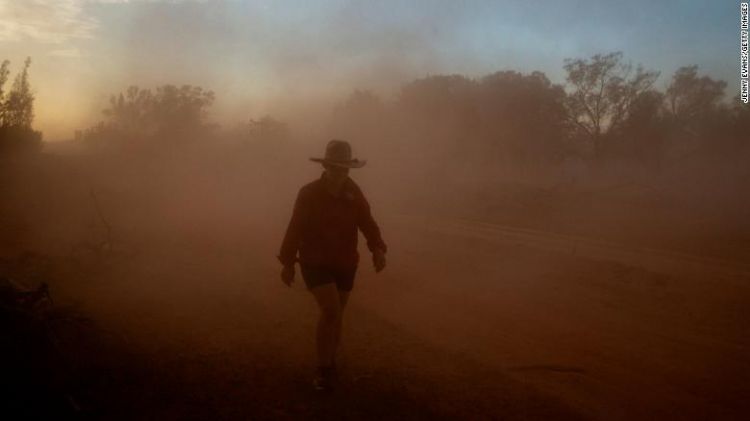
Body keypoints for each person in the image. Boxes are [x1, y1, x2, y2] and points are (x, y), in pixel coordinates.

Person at [278, 139, 387, 391]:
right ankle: (324, 369)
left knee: (337, 314)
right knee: (331, 311)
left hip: (345, 261)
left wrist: (378, 248)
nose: (340, 173)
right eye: (336, 167)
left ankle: (330, 362)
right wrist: (288, 262)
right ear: (326, 166)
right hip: (315, 261)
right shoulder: (309, 193)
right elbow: (296, 227)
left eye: (345, 168)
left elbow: (367, 223)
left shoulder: (354, 192)